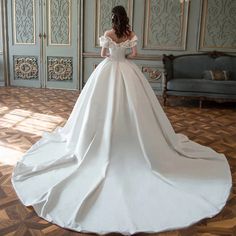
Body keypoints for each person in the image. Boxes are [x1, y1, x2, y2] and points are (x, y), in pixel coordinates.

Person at [11, 5, 232, 236]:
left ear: (112, 18)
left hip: (108, 71)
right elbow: (133, 55)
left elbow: (103, 56)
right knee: (135, 107)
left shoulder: (108, 34)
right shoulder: (130, 33)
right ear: (125, 18)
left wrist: (111, 52)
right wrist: (123, 53)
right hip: (127, 71)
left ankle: (100, 138)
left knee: (98, 108)